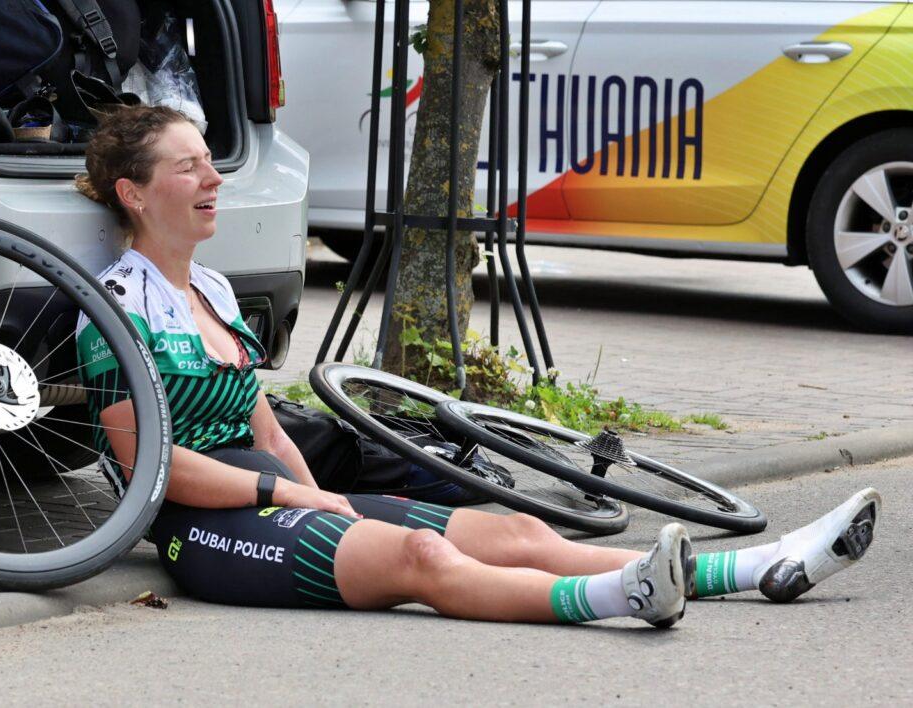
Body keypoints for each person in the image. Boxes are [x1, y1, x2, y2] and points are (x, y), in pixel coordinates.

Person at [73, 105, 880, 628]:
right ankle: (622, 596)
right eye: (189, 167)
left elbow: (269, 433)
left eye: (210, 160)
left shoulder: (213, 291)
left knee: (516, 529)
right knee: (420, 561)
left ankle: (761, 565)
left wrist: (326, 500)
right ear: (134, 195)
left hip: (278, 495)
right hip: (199, 527)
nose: (214, 178)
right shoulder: (111, 309)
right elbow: (150, 469)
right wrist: (290, 496)